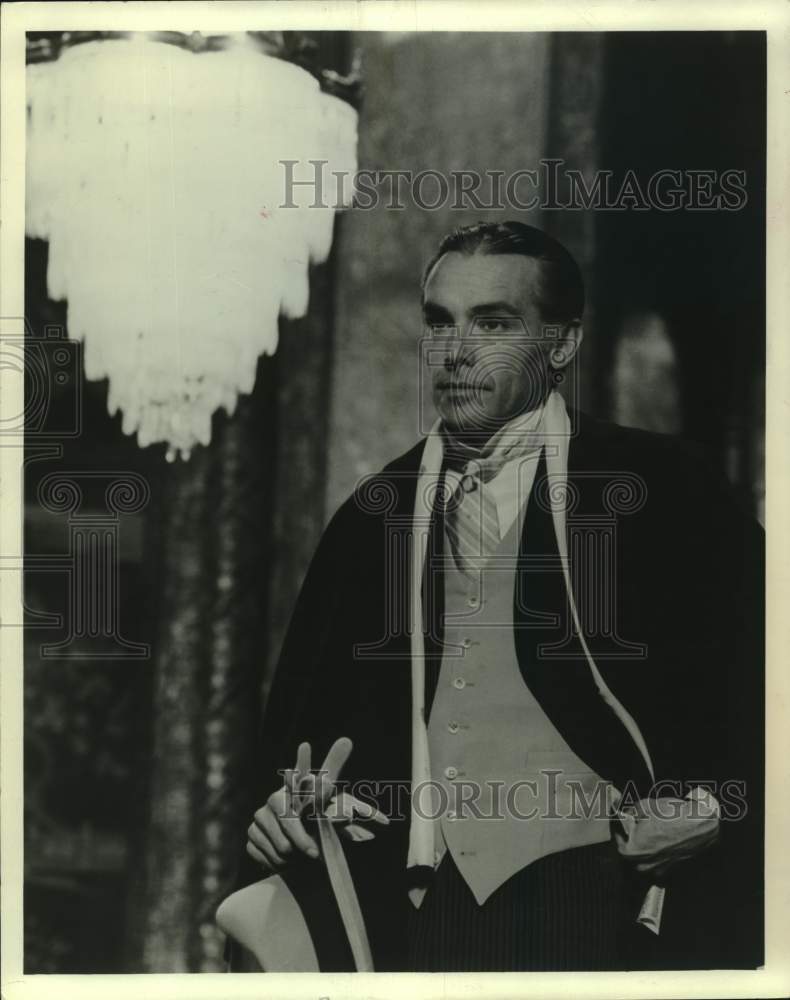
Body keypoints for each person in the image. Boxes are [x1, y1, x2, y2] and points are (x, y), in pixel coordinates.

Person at [230, 221, 764, 972]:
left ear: (563, 344)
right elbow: (307, 745)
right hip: (424, 910)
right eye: (440, 322)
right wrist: (287, 812)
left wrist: (715, 809)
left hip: (603, 903)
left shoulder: (659, 491)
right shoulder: (373, 516)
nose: (455, 350)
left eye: (493, 323)